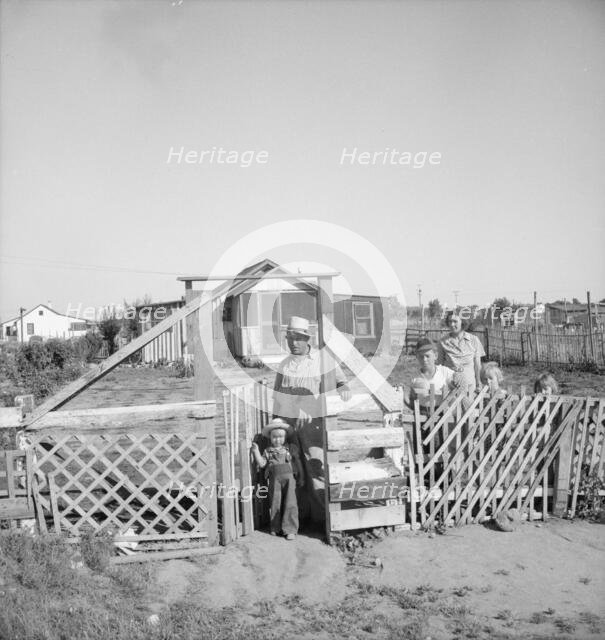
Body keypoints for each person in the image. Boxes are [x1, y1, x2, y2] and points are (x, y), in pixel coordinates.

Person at [272, 316, 351, 525]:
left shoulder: (323, 361)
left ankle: (322, 520)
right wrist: (275, 426)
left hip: (313, 427)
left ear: (308, 340)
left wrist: (342, 390)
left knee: (316, 470)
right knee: (292, 472)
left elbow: (342, 383)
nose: (294, 343)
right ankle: (299, 519)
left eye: (298, 338)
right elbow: (277, 399)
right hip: (289, 428)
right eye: (290, 338)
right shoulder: (284, 365)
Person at [251, 418, 303, 540]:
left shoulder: (290, 448)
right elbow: (263, 464)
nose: (277, 440)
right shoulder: (268, 451)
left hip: (290, 481)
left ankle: (290, 529)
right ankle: (276, 527)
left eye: (280, 437)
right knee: (275, 502)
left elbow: (298, 463)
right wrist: (256, 452)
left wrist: (301, 477)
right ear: (270, 437)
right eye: (274, 437)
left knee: (291, 502)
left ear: (285, 437)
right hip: (275, 481)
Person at [439, 311, 485, 392]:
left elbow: (477, 365)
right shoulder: (442, 342)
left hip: (470, 386)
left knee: (469, 404)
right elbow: (439, 365)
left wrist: (478, 383)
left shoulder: (474, 340)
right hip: (450, 387)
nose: (452, 324)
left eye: (455, 321)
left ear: (462, 322)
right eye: (450, 321)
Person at [408, 338, 459, 409]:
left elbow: (457, 380)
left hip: (442, 414)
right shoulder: (415, 378)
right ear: (417, 357)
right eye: (421, 356)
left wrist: (457, 379)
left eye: (427, 356)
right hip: (422, 415)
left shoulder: (444, 372)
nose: (424, 360)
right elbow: (412, 399)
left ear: (435, 356)